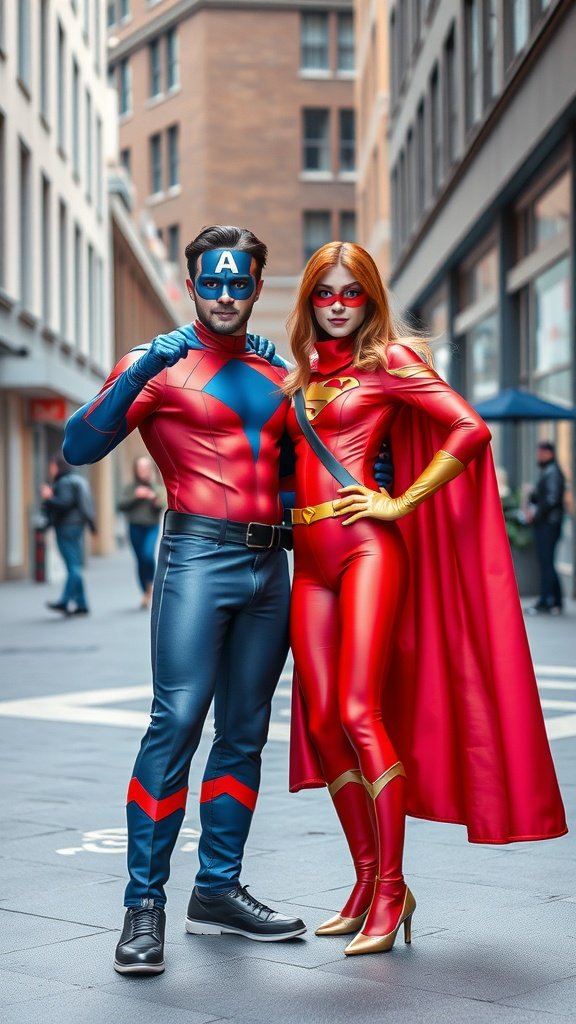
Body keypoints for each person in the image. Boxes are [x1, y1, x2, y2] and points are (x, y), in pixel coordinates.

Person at [284, 242, 567, 957]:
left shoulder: (392, 362)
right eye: (326, 293)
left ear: (371, 298)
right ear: (310, 300)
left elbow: (468, 427)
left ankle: (390, 889)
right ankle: (368, 878)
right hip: (309, 562)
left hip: (367, 550)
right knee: (322, 725)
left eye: (352, 292)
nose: (339, 303)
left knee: (357, 710)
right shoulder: (302, 374)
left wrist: (401, 500)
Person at [62, 225, 311, 975]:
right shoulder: (156, 363)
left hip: (272, 567)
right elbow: (79, 446)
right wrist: (145, 372)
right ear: (192, 283)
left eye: (240, 284)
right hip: (198, 556)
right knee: (175, 724)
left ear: (259, 287)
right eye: (213, 282)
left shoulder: (278, 372)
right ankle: (144, 908)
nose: (227, 295)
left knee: (244, 732)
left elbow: (295, 479)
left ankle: (219, 890)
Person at [40, 451, 96, 616]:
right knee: (75, 565)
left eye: (51, 465)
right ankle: (81, 603)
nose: (50, 469)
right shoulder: (74, 479)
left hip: (66, 527)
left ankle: (65, 601)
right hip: (76, 526)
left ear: (57, 466)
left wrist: (48, 497)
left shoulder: (64, 482)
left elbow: (64, 503)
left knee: (73, 567)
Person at [117, 456, 165, 608]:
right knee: (139, 559)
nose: (143, 471)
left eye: (146, 468)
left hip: (151, 526)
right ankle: (145, 590)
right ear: (136, 470)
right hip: (134, 527)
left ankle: (151, 584)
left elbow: (162, 506)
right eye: (141, 468)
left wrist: (154, 500)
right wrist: (136, 496)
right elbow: (121, 506)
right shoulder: (130, 488)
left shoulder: (156, 487)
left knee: (147, 554)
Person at [525, 441, 565, 615]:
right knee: (548, 561)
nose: (538, 457)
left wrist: (536, 514)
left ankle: (546, 601)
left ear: (549, 454)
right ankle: (555, 599)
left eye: (541, 453)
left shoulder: (553, 473)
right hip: (548, 523)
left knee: (546, 561)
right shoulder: (550, 472)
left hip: (548, 524)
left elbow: (551, 499)